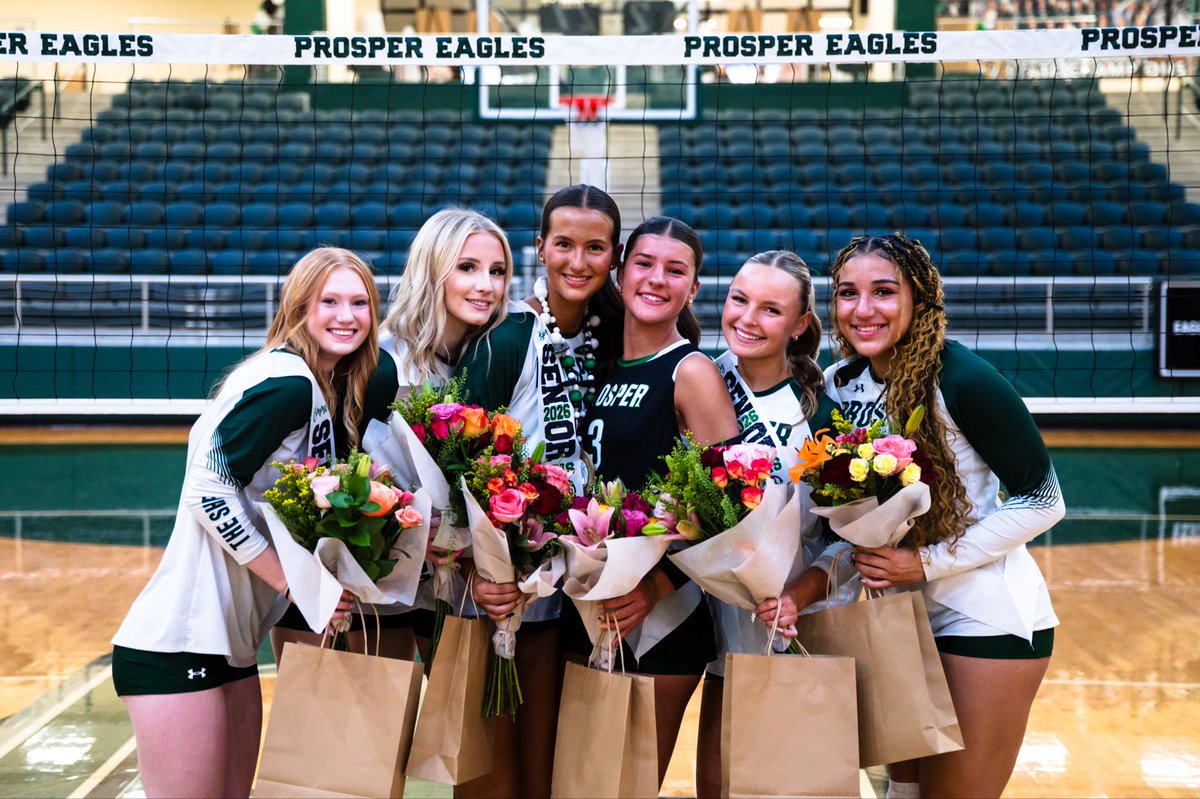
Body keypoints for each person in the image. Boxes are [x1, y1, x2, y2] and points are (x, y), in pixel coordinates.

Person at [110, 248, 378, 798]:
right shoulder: (288, 384)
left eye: (359, 302)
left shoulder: (315, 387)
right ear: (299, 307)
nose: (345, 315)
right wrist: (297, 585)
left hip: (229, 649)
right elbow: (206, 492)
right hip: (176, 646)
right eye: (328, 301)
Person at [826, 233, 1065, 799]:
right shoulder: (837, 384)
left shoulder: (962, 379)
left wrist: (926, 563)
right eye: (847, 293)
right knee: (897, 795)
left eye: (883, 292)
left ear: (920, 297)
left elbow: (1044, 500)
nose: (863, 310)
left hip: (983, 619)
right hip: (895, 621)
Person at [269, 208, 514, 664]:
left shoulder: (489, 357)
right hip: (357, 586)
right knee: (356, 732)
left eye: (497, 271)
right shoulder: (381, 363)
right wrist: (407, 517)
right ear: (432, 269)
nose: (486, 285)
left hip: (434, 583)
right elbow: (331, 483)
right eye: (467, 268)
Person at [452, 185, 622, 799]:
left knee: (547, 764)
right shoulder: (508, 335)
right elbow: (457, 455)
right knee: (487, 765)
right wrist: (479, 560)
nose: (578, 262)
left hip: (572, 586)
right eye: (564, 245)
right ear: (541, 247)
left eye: (595, 248)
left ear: (614, 255)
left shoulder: (619, 338)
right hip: (499, 584)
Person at [576, 215, 740, 788]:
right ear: (620, 271)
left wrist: (657, 587)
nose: (656, 279)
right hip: (589, 601)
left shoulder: (690, 371)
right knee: (580, 784)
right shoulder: (591, 366)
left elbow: (727, 503)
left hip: (660, 615)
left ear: (693, 289)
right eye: (644, 264)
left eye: (676, 270)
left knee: (624, 784)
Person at [693, 250, 851, 798]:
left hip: (804, 619)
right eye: (739, 300)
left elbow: (849, 539)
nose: (746, 319)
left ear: (800, 324)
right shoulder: (697, 381)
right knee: (720, 773)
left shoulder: (822, 412)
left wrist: (796, 597)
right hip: (718, 614)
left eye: (770, 309)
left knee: (795, 778)